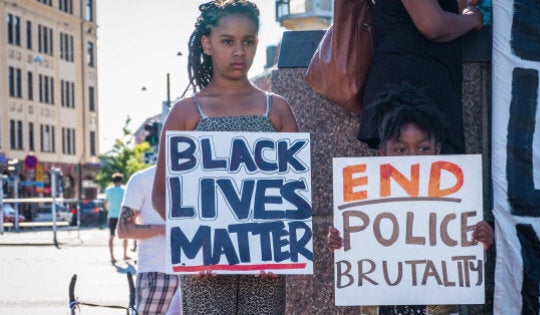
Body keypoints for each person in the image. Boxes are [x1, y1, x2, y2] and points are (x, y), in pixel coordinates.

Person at [151, 1, 298, 314]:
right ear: (207, 43)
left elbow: (296, 192)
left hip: (266, 266)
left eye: (248, 41)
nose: (239, 51)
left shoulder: (279, 110)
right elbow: (161, 195)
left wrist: (280, 246)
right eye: (227, 41)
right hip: (204, 266)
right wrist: (194, 242)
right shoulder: (185, 112)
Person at [329, 83, 494, 315]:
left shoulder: (452, 201)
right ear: (383, 153)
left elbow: (460, 268)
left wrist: (479, 245)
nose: (412, 158)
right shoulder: (368, 203)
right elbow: (359, 259)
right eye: (401, 150)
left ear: (437, 150)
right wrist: (342, 243)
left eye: (423, 149)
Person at [357, 0, 483, 154]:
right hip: (410, 87)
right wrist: (471, 19)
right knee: (420, 171)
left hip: (415, 80)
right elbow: (433, 25)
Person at [117, 166, 178, 315]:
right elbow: (123, 230)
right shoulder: (142, 179)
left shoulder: (199, 174)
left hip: (199, 273)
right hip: (158, 271)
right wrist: (162, 228)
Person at [105, 172, 129, 263]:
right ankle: (125, 254)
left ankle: (112, 257)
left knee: (111, 236)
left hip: (111, 215)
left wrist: (109, 210)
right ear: (121, 181)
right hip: (122, 215)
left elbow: (105, 203)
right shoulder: (124, 190)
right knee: (125, 236)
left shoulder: (108, 190)